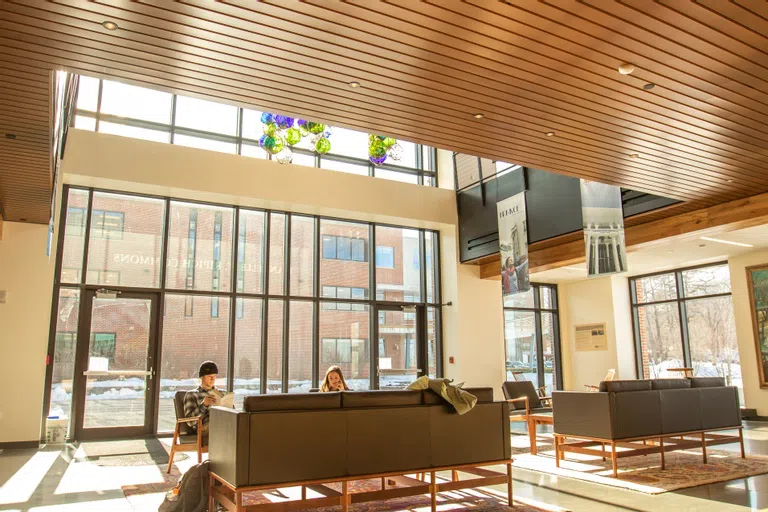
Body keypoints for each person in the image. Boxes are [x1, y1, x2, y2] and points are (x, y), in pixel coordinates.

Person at [183, 360, 220, 434]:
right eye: (210, 376)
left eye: (214, 376)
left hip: (223, 423)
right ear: (202, 377)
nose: (212, 379)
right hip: (204, 427)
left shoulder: (221, 393)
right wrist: (204, 405)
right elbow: (190, 421)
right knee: (221, 428)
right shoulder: (192, 394)